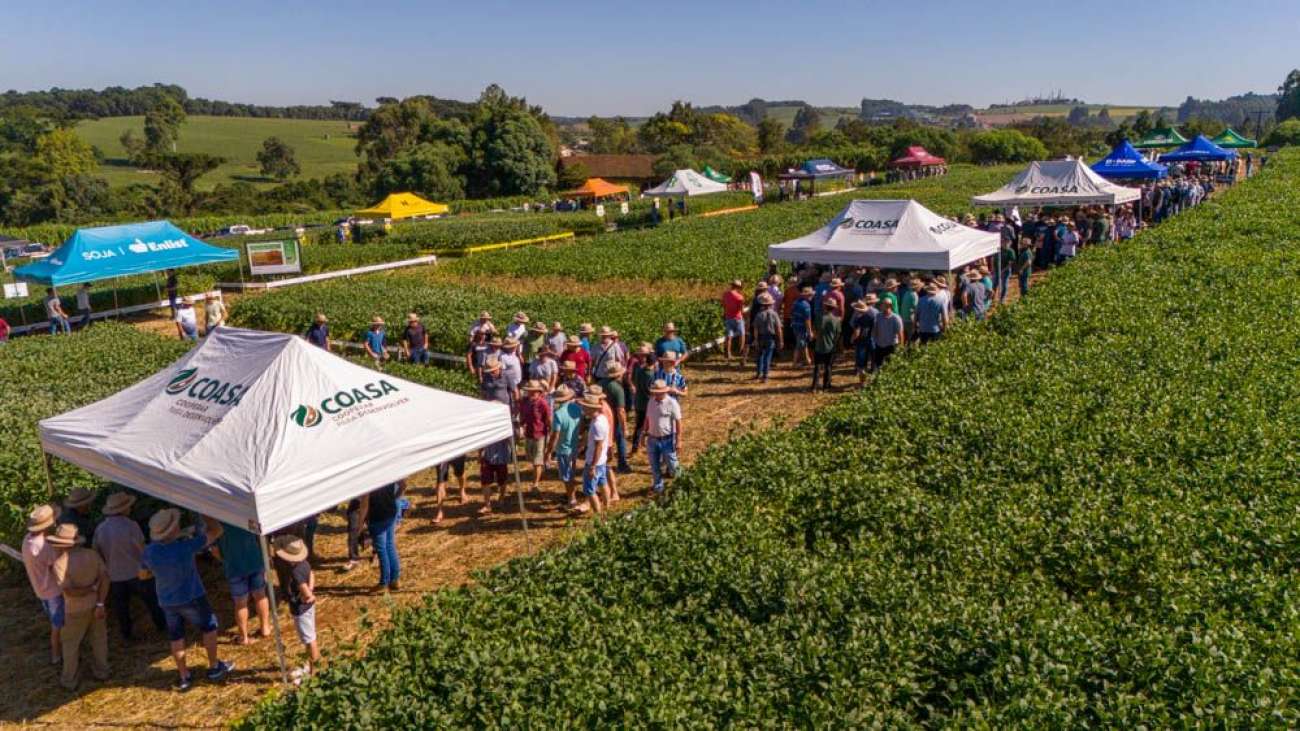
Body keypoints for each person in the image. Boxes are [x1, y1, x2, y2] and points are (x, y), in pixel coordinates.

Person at [141, 509, 235, 691]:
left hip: (167, 600)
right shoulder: (185, 547)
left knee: (176, 637)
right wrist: (205, 511)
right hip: (192, 596)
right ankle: (214, 666)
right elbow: (217, 531)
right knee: (209, 627)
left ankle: (184, 675)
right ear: (173, 529)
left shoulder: (150, 552)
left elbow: (143, 574)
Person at [93, 492, 165, 642]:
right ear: (124, 509)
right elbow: (142, 548)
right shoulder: (131, 526)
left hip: (114, 576)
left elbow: (97, 553)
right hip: (136, 572)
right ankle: (162, 627)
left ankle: (127, 635)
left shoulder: (100, 529)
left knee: (122, 608)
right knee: (152, 602)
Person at [48, 523, 110, 690]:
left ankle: (69, 680)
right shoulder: (92, 554)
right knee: (99, 640)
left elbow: (70, 592)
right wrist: (100, 602)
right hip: (96, 605)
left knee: (70, 645)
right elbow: (104, 578)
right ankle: (102, 672)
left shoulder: (60, 563)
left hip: (74, 609)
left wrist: (90, 589)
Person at [271, 536, 320, 682]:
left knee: (309, 639)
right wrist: (310, 590)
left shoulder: (295, 572)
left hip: (301, 609)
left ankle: (313, 671)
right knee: (310, 637)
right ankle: (311, 666)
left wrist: (308, 595)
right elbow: (312, 574)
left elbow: (304, 590)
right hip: (308, 608)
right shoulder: (304, 564)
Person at [214, 522, 271, 646]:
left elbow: (215, 550)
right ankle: (265, 628)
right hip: (255, 561)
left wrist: (226, 560)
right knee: (260, 595)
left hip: (234, 568)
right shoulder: (246, 515)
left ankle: (243, 636)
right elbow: (261, 536)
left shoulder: (218, 521)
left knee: (240, 603)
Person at [23, 505, 64, 666]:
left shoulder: (27, 540)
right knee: (58, 624)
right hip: (53, 590)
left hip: (40, 589)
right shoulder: (44, 546)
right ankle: (57, 655)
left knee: (54, 620)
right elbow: (58, 566)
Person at [640, 379, 682, 495]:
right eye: (655, 392)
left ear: (664, 392)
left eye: (658, 393)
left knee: (672, 464)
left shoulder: (672, 403)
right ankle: (658, 488)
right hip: (652, 438)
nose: (656, 395)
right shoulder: (651, 401)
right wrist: (643, 434)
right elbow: (647, 418)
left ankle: (681, 484)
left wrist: (679, 440)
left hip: (667, 439)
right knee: (654, 466)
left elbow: (678, 422)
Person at [359, 481, 403, 591]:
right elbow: (403, 485)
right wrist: (393, 497)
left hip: (377, 518)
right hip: (390, 512)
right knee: (390, 545)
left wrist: (359, 526)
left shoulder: (368, 481)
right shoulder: (387, 471)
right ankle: (395, 579)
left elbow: (364, 505)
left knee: (382, 550)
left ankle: (384, 582)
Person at [548, 385, 583, 507]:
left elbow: (555, 435)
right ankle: (571, 495)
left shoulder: (558, 414)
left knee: (566, 476)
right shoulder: (577, 408)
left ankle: (572, 499)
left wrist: (548, 451)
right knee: (571, 472)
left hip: (563, 449)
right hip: (574, 446)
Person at [577, 393, 610, 515]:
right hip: (601, 461)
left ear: (592, 408)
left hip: (594, 462)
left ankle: (599, 516)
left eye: (585, 406)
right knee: (603, 483)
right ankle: (606, 509)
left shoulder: (597, 424)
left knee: (589, 490)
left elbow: (598, 446)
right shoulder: (601, 418)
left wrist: (592, 466)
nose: (584, 409)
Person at [597, 362, 632, 474]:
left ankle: (602, 462)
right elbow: (621, 411)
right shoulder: (617, 389)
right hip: (613, 420)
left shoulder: (600, 383)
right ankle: (622, 464)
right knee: (620, 439)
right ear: (619, 375)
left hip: (600, 417)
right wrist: (625, 427)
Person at [519, 380, 552, 494]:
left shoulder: (543, 403)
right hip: (529, 433)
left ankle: (536, 483)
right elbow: (523, 416)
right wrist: (520, 425)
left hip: (540, 434)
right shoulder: (525, 402)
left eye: (534, 392)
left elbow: (548, 420)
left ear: (539, 392)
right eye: (530, 392)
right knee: (531, 458)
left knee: (538, 461)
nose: (531, 394)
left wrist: (550, 433)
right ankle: (537, 474)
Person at [629, 343, 655, 451]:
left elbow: (634, 381)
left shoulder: (639, 370)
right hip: (647, 402)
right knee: (648, 425)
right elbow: (651, 389)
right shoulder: (650, 374)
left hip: (639, 401)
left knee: (639, 425)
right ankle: (644, 445)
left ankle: (635, 446)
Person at [811, 299, 841, 393]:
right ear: (834, 308)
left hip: (819, 346)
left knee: (817, 367)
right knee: (828, 367)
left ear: (825, 306)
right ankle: (826, 386)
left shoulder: (819, 317)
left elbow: (814, 332)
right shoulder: (836, 320)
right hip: (830, 347)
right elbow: (837, 335)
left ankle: (814, 387)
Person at [751, 291, 782, 382]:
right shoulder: (774, 314)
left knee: (760, 355)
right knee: (768, 356)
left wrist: (756, 339)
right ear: (771, 304)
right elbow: (778, 328)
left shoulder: (759, 314)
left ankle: (758, 373)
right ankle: (765, 376)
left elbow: (755, 328)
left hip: (761, 337)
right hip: (770, 337)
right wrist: (780, 340)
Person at [478, 438, 512, 515]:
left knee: (502, 480)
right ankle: (487, 505)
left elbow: (511, 439)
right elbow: (481, 439)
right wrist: (480, 454)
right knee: (485, 481)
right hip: (487, 457)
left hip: (501, 457)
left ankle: (501, 498)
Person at [871, 297, 905, 371]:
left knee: (890, 365)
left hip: (891, 346)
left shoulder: (896, 318)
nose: (881, 306)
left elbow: (900, 333)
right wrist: (874, 341)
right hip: (879, 345)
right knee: (878, 365)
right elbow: (875, 330)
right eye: (882, 304)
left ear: (889, 306)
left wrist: (901, 347)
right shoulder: (878, 316)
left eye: (883, 304)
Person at [850, 295, 879, 384]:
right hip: (872, 339)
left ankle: (863, 382)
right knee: (874, 361)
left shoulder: (858, 318)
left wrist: (852, 339)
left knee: (862, 364)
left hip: (861, 342)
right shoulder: (873, 313)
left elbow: (857, 332)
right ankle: (874, 379)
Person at [432, 455, 467, 525]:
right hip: (441, 453)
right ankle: (439, 511)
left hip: (457, 450)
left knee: (460, 473)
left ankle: (462, 490)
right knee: (440, 481)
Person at [721, 279, 746, 364]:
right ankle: (741, 352)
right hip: (738, 318)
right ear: (738, 287)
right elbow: (741, 309)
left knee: (729, 336)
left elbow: (724, 305)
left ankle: (728, 353)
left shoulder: (725, 295)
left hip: (728, 317)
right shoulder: (740, 297)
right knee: (742, 335)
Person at [790, 286, 814, 367]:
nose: (811, 296)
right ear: (805, 295)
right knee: (800, 345)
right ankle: (795, 362)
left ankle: (807, 361)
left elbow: (792, 313)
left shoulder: (795, 302)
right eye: (810, 295)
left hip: (795, 326)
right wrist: (810, 331)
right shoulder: (806, 306)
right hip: (802, 328)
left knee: (802, 344)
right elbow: (807, 320)